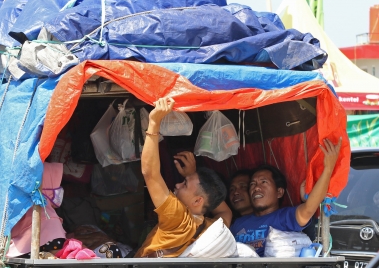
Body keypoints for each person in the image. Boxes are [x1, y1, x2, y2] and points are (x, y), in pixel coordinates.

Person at [135, 97, 228, 258]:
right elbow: (224, 210)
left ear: (198, 201)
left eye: (184, 184)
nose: (177, 185)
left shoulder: (178, 219)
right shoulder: (212, 227)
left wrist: (154, 123)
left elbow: (150, 173)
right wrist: (191, 176)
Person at [230, 137, 342, 256]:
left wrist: (328, 169)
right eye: (253, 183)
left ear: (279, 192)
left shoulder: (285, 217)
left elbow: (309, 208)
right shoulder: (238, 224)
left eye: (263, 182)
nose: (256, 187)